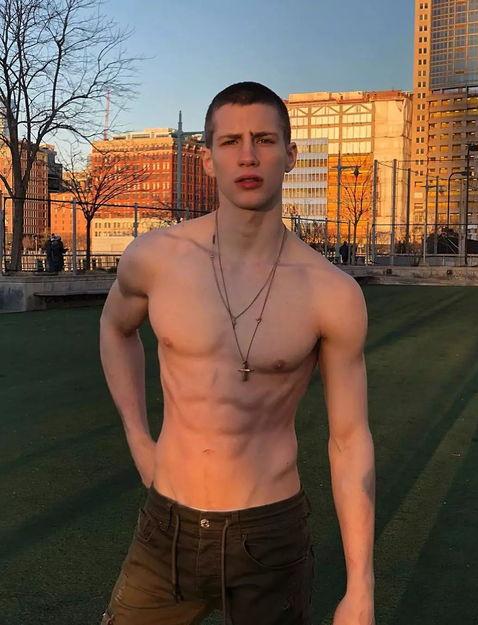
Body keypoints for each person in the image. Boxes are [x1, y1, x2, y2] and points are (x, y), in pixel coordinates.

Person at [99, 82, 375, 625]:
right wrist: (138, 438)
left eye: (264, 140)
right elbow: (115, 329)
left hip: (268, 534)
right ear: (208, 159)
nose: (248, 156)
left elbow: (349, 440)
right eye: (230, 142)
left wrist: (360, 586)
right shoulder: (156, 258)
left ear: (290, 155)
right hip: (166, 526)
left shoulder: (330, 293)